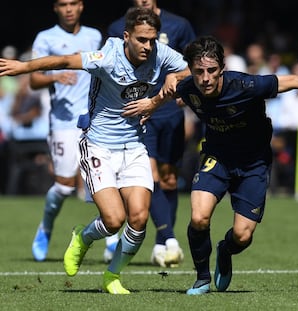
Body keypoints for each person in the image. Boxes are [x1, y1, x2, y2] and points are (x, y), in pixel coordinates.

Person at [124, 36, 298, 295]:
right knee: (199, 217)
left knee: (242, 236)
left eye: (212, 71)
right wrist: (151, 105)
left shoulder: (247, 85)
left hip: (253, 163)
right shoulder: (190, 87)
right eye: (199, 72)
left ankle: (225, 250)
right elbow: (173, 88)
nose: (206, 78)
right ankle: (201, 279)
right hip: (217, 157)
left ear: (222, 68)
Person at [0, 7, 190, 294]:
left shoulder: (160, 53)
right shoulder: (107, 57)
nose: (147, 46)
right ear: (126, 37)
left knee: (138, 218)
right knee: (114, 220)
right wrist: (23, 67)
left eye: (151, 40)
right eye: (141, 40)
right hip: (99, 146)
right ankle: (82, 238)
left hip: (134, 146)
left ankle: (112, 276)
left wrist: (167, 86)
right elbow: (64, 60)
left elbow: (187, 69)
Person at [105, 0, 196, 268]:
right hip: (139, 110)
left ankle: (159, 243)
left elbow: (194, 63)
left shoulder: (180, 25)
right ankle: (169, 239)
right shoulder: (116, 27)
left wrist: (183, 87)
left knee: (168, 179)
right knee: (150, 175)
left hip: (169, 112)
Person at [29, 0, 102, 261]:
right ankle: (46, 226)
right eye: (63, 4)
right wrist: (54, 76)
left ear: (82, 6)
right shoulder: (46, 38)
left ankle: (113, 239)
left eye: (73, 3)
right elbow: (34, 79)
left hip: (93, 120)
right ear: (55, 8)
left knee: (102, 183)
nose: (68, 9)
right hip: (62, 122)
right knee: (64, 186)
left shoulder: (94, 36)